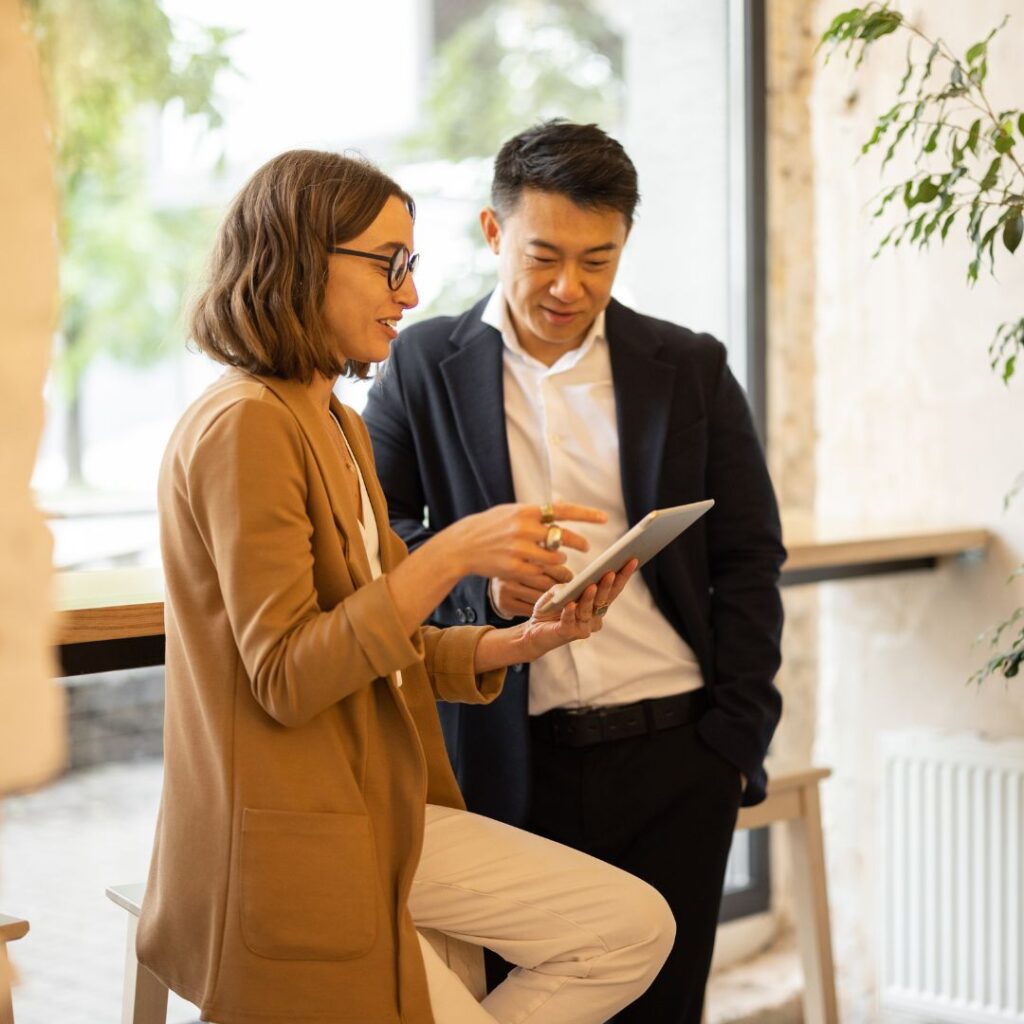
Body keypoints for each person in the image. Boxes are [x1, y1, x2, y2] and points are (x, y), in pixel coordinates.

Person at [136, 148, 676, 1024]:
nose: (411, 294)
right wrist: (454, 550)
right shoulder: (243, 427)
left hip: (379, 812)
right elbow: (288, 674)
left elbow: (389, 643)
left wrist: (517, 640)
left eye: (411, 266)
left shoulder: (334, 424)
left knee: (632, 927)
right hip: (298, 844)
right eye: (389, 265)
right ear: (300, 257)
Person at [363, 121, 786, 1024]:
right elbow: (377, 535)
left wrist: (735, 738)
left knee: (663, 1010)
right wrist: (482, 586)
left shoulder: (691, 368)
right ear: (492, 232)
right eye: (543, 255)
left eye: (599, 260)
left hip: (678, 752)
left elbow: (751, 556)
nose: (569, 287)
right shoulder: (418, 365)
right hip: (500, 762)